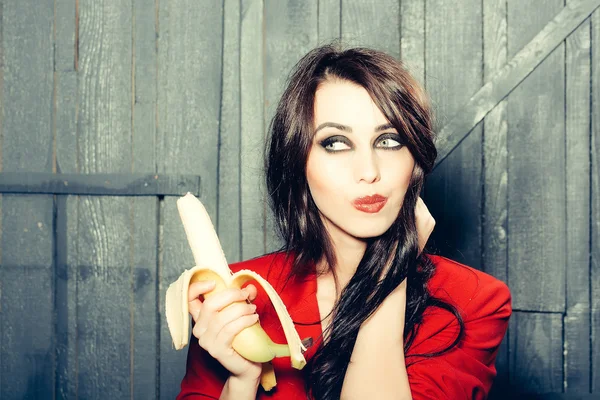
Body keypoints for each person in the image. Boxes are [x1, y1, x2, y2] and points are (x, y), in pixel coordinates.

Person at [177, 44, 511, 400]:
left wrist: (388, 276)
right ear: (297, 161)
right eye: (336, 143)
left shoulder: (475, 300)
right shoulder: (237, 298)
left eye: (390, 140)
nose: (369, 172)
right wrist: (242, 381)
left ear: (414, 159)